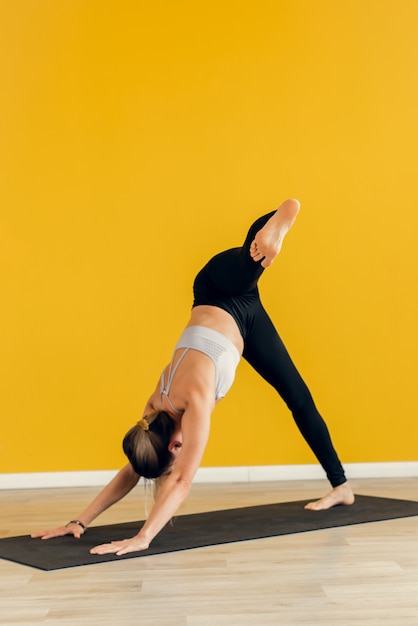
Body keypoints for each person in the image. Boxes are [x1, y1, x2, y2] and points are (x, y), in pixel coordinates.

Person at [32, 199, 354, 556]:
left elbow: (183, 480)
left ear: (174, 446)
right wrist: (80, 521)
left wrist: (143, 538)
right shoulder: (153, 409)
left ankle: (262, 249)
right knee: (299, 397)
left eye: (175, 455)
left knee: (251, 264)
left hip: (217, 291)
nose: (180, 456)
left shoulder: (195, 400)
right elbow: (134, 468)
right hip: (242, 317)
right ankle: (341, 486)